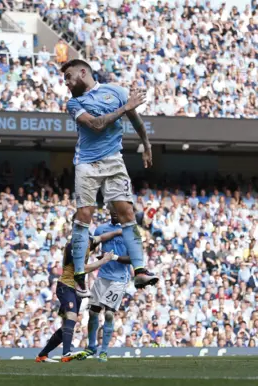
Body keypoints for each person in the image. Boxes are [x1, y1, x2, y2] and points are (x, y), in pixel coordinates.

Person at [60, 59, 157, 297]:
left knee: (126, 212)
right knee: (84, 214)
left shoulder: (115, 91)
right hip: (87, 163)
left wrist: (146, 144)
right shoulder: (74, 103)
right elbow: (96, 125)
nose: (67, 83)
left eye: (69, 77)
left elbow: (134, 118)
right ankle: (79, 275)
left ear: (83, 72)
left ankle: (140, 271)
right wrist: (125, 107)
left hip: (114, 160)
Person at [35, 215, 122, 363]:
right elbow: (81, 269)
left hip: (76, 290)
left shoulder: (88, 240)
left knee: (66, 327)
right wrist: (103, 260)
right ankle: (66, 353)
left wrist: (118, 232)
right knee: (71, 318)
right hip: (66, 286)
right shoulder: (72, 245)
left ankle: (42, 355)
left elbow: (101, 238)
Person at [80, 204, 133, 362]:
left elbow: (133, 258)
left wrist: (114, 258)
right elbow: (92, 246)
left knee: (109, 313)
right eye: (114, 212)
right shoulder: (101, 229)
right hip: (103, 276)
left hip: (119, 279)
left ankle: (104, 351)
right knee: (92, 312)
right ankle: (91, 346)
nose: (116, 214)